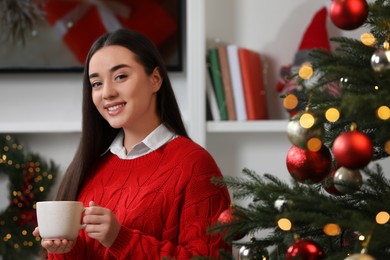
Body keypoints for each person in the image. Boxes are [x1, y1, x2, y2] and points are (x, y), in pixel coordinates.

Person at [32, 28, 231, 259]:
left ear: (155, 80)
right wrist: (63, 251)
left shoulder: (194, 165)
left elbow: (210, 256)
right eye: (96, 83)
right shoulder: (91, 166)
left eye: (120, 77)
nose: (107, 93)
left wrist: (120, 239)